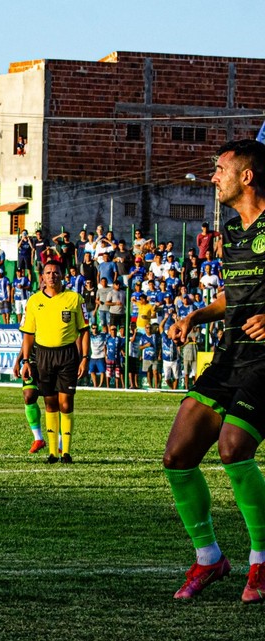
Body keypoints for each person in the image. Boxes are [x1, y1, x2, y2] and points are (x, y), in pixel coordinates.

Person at [163, 139, 265, 602]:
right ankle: (209, 559)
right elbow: (235, 295)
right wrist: (196, 316)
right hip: (229, 355)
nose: (212, 176)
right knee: (178, 456)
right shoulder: (234, 231)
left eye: (220, 168)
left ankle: (261, 562)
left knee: (233, 446)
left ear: (247, 176)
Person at [18, 260, 90, 464]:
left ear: (62, 275)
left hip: (67, 355)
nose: (52, 276)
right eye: (48, 272)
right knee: (49, 403)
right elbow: (28, 335)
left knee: (65, 403)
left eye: (56, 272)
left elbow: (84, 331)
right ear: (42, 277)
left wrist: (84, 358)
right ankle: (52, 452)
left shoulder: (74, 299)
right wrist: (25, 360)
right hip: (43, 356)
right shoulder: (33, 301)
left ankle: (66, 451)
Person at [12, 346, 46, 454]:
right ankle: (38, 439)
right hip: (32, 362)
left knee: (53, 400)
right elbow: (27, 339)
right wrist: (18, 361)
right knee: (29, 396)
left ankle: (60, 443)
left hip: (51, 359)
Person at [88, 324, 106, 388]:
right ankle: (95, 385)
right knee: (92, 371)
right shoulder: (90, 336)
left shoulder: (102, 335)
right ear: (91, 329)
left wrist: (105, 354)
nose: (94, 329)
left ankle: (100, 385)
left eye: (95, 328)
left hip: (101, 356)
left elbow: (105, 345)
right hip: (93, 356)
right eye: (93, 328)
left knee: (102, 371)